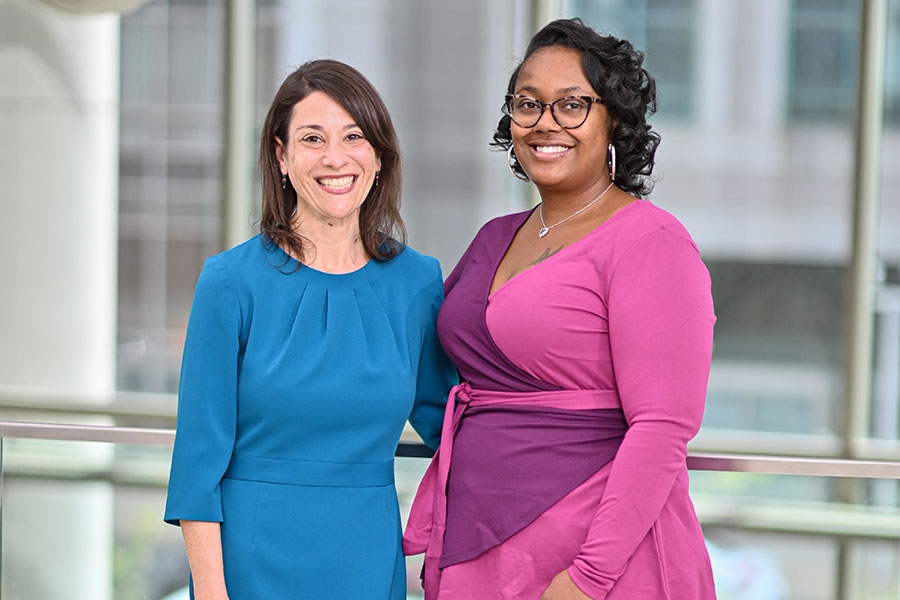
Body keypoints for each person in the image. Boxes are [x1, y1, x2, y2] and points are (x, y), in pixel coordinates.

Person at [403, 18, 717, 600]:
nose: (546, 123)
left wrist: (587, 579)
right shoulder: (494, 236)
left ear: (614, 119)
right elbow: (439, 362)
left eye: (572, 104)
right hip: (479, 543)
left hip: (591, 560)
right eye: (529, 104)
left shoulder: (651, 242)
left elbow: (663, 426)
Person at [164, 59, 457, 599]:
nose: (335, 158)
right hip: (250, 564)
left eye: (354, 136)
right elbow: (196, 469)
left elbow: (459, 429)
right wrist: (210, 594)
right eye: (313, 138)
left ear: (377, 156)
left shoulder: (416, 283)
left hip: (368, 561)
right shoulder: (229, 282)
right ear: (281, 156)